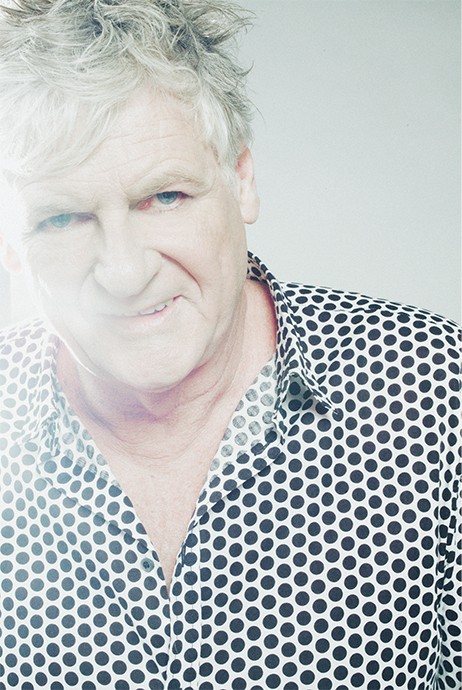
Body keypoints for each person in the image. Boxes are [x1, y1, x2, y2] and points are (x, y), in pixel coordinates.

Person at [0, 1, 460, 689]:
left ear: (241, 180)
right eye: (63, 218)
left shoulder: (434, 388)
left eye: (165, 197)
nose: (124, 273)